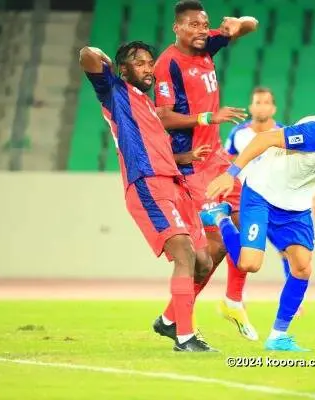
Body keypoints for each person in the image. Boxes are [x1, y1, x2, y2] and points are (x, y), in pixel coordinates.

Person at [202, 90, 315, 351]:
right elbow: (264, 139)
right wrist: (231, 174)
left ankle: (278, 336)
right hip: (262, 192)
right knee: (249, 264)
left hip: (296, 207)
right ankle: (221, 217)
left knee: (302, 267)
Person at [80, 41, 215, 352]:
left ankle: (169, 321)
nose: (148, 68)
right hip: (148, 185)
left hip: (174, 184)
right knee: (184, 253)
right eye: (139, 62)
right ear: (124, 69)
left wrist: (187, 156)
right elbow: (86, 55)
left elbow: (159, 150)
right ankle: (185, 337)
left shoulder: (150, 108)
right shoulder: (114, 92)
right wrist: (105, 62)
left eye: (150, 62)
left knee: (204, 262)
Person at [153, 0, 259, 341]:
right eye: (194, 25)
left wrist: (238, 23)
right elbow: (163, 116)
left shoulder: (207, 45)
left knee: (237, 235)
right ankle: (183, 318)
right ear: (177, 28)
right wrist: (206, 118)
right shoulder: (168, 64)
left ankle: (177, 315)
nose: (202, 31)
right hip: (192, 161)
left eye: (205, 25)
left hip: (216, 158)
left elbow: (251, 24)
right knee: (210, 246)